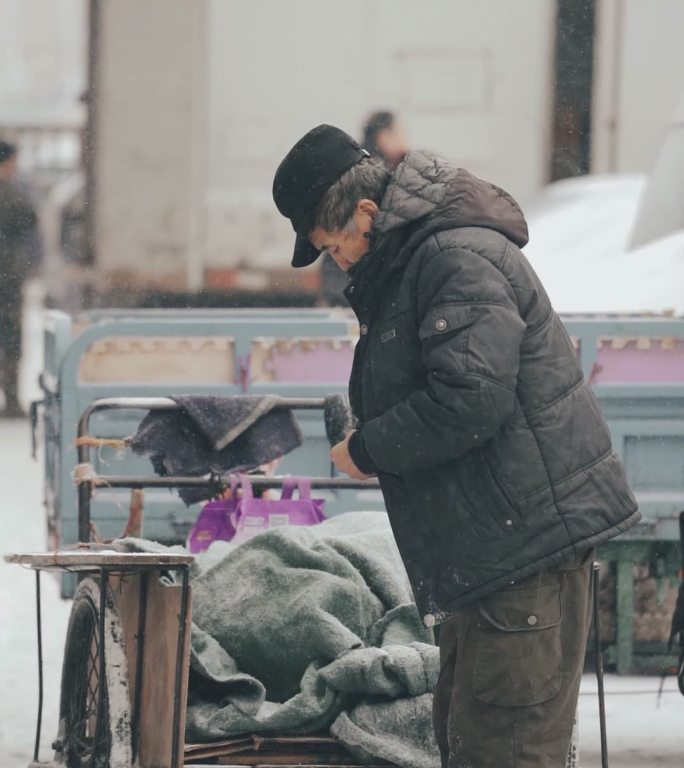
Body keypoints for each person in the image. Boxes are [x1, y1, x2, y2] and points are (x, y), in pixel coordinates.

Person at [272, 124, 640, 767]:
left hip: (521, 555)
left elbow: (471, 399)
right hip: (492, 556)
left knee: (504, 748)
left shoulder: (451, 256)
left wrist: (370, 450)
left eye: (334, 248)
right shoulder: (420, 259)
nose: (339, 263)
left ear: (365, 212)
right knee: (471, 740)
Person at [0, 140, 40, 417]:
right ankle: (11, 399)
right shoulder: (12, 194)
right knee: (11, 339)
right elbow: (29, 218)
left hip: (8, 276)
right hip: (8, 279)